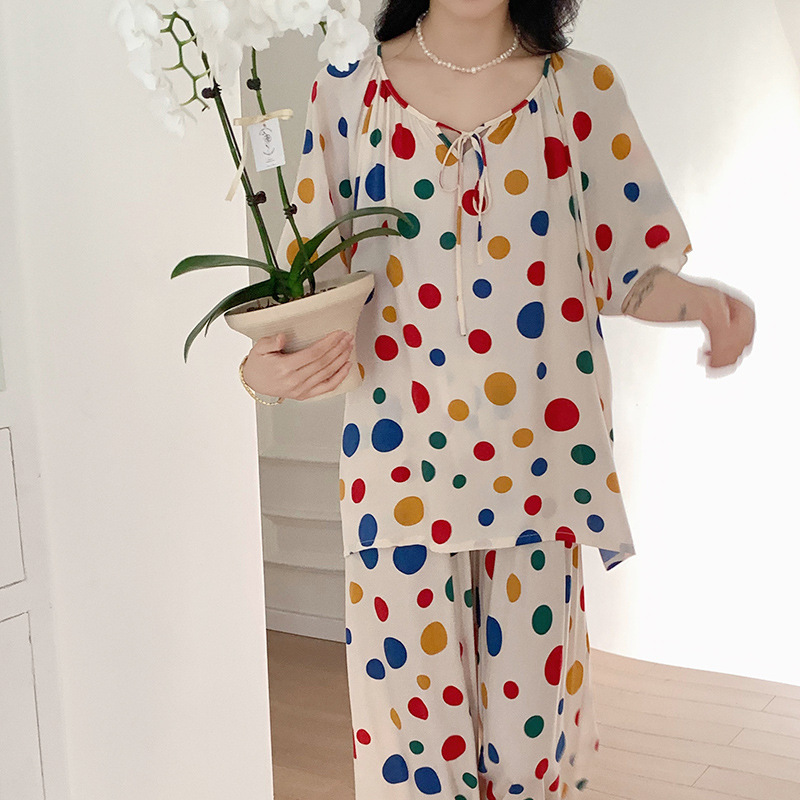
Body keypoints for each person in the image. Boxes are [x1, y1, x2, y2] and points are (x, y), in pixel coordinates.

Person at [241, 1, 756, 797]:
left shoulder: (580, 91)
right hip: (399, 485)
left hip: (540, 480)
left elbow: (627, 270)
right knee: (414, 767)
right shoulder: (346, 92)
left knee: (530, 763)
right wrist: (261, 373)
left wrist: (702, 304)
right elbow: (308, 296)